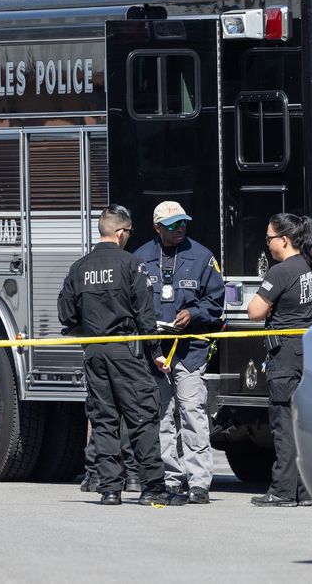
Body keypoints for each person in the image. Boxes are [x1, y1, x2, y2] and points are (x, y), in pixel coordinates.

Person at [57, 204, 184, 507]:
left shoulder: (79, 268)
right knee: (142, 416)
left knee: (104, 419)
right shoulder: (132, 264)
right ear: (121, 232)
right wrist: (154, 353)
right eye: (128, 232)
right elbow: (145, 314)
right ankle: (152, 486)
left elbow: (65, 314)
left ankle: (110, 489)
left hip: (94, 351)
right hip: (127, 351)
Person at [134, 201, 224, 504]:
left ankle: (199, 483)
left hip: (190, 351)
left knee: (192, 413)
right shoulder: (141, 259)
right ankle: (170, 479)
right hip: (155, 352)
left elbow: (216, 303)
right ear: (157, 227)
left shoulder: (202, 257)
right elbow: (133, 303)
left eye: (183, 223)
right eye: (173, 225)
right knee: (162, 417)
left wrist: (193, 313)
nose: (180, 229)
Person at [247, 213, 312, 508]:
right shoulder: (307, 266)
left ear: (284, 240)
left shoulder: (280, 271)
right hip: (305, 350)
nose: (267, 244)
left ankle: (283, 490)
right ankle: (302, 490)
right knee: (300, 423)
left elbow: (254, 311)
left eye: (269, 238)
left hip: (284, 355)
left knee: (283, 423)